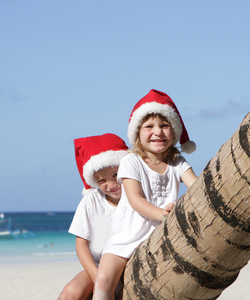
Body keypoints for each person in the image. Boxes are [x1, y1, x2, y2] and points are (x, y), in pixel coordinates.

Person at [93, 89, 198, 299]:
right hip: (128, 234)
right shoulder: (131, 162)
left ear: (175, 132)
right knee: (104, 280)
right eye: (149, 126)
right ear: (137, 134)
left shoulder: (177, 163)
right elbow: (135, 199)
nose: (158, 132)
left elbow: (196, 187)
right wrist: (163, 214)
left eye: (165, 126)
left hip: (162, 235)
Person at [58, 133, 129, 300]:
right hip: (99, 266)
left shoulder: (137, 195)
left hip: (130, 264)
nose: (111, 185)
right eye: (101, 180)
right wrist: (97, 277)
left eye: (115, 175)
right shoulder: (91, 200)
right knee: (71, 292)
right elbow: (81, 244)